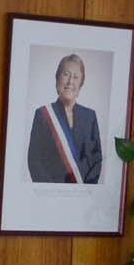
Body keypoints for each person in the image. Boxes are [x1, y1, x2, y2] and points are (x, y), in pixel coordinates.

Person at [26, 53, 102, 184]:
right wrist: (52, 191)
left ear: (81, 83)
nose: (70, 81)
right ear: (57, 79)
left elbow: (96, 158)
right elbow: (34, 160)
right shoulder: (42, 114)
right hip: (50, 192)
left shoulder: (90, 116)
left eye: (76, 77)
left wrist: (86, 189)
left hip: (82, 192)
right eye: (66, 75)